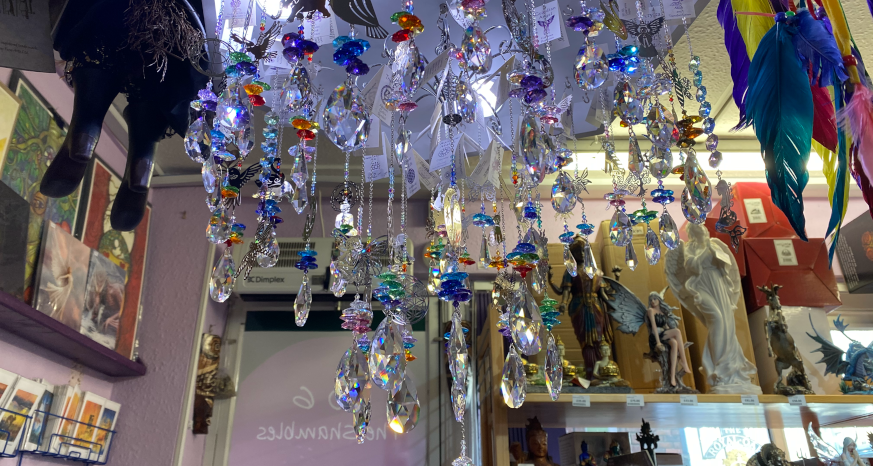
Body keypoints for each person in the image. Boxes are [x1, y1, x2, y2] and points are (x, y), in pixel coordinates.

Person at [647, 292, 691, 388]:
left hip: (663, 334)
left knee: (674, 343)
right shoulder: (650, 310)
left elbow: (666, 327)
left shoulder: (663, 312)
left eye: (655, 299)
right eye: (651, 300)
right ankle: (684, 361)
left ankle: (672, 377)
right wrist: (658, 342)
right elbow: (653, 326)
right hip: (656, 337)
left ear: (659, 300)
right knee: (677, 332)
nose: (653, 301)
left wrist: (670, 332)